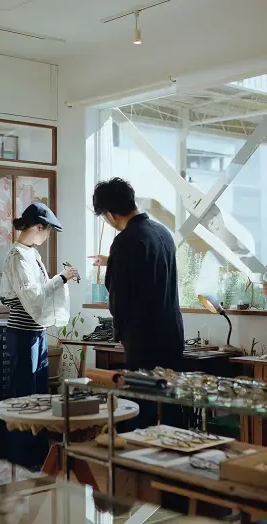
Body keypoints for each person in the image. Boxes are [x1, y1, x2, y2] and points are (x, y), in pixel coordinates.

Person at [90, 178, 184, 428]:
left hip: (144, 339)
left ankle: (139, 453)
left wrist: (120, 333)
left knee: (141, 408)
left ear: (110, 214)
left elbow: (119, 295)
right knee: (171, 403)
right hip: (172, 333)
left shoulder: (125, 240)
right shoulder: (163, 233)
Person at [0, 202, 78, 468]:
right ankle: (22, 460)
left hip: (35, 333)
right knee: (24, 397)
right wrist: (62, 278)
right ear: (38, 227)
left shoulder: (30, 253)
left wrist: (60, 279)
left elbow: (39, 293)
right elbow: (34, 296)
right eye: (48, 231)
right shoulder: (18, 256)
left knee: (39, 395)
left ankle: (37, 458)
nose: (47, 237)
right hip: (23, 333)